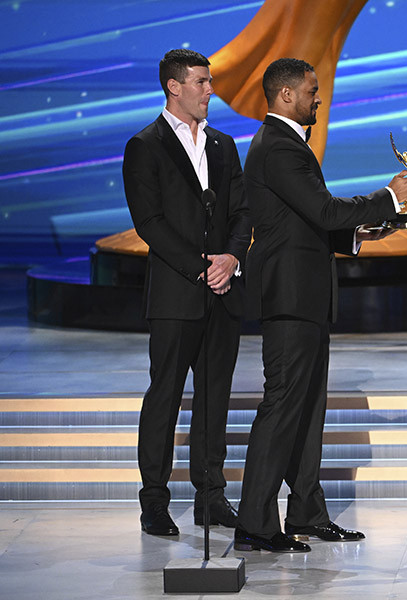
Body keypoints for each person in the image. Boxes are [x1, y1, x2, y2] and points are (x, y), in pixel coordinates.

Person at [234, 58, 407, 553]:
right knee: (282, 407)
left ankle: (307, 514)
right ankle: (255, 523)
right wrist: (389, 196)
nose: (319, 99)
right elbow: (323, 209)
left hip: (306, 296)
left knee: (307, 410)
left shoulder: (287, 144)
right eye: (312, 91)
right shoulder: (278, 145)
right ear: (286, 95)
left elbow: (305, 222)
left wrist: (357, 235)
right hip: (289, 296)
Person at [122, 49, 251, 536]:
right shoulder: (145, 145)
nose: (210, 90)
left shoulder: (223, 144)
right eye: (201, 82)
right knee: (166, 397)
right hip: (177, 295)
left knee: (215, 398)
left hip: (224, 291)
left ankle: (210, 496)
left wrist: (231, 258)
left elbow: (241, 211)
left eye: (209, 81)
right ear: (174, 87)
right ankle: (154, 502)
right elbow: (149, 222)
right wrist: (203, 268)